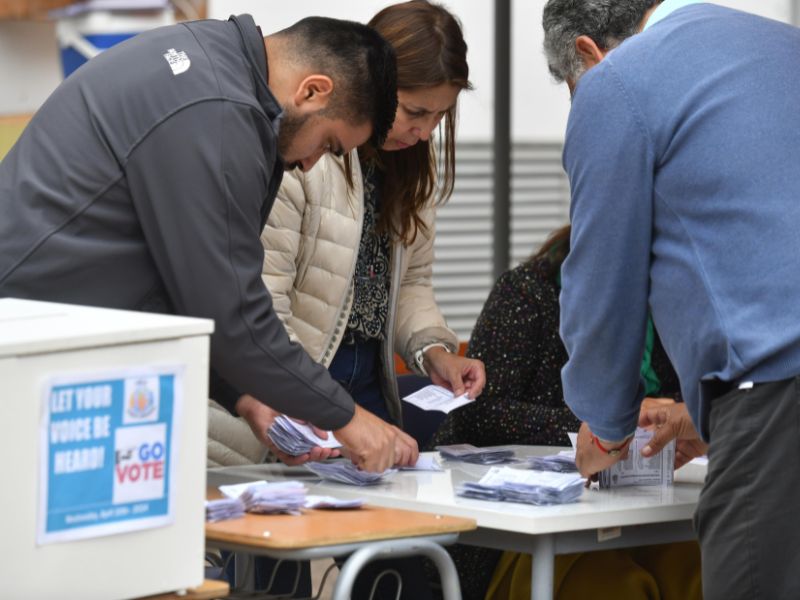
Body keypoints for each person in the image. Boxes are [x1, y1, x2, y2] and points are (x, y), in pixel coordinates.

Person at [0, 13, 407, 473]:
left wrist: (245, 395)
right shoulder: (217, 112)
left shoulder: (214, 63)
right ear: (312, 91)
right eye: (329, 144)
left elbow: (186, 288)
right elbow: (234, 315)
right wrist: (347, 417)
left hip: (44, 338)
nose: (311, 164)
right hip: (23, 341)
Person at [543, 1, 800, 598]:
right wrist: (704, 414)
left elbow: (604, 282)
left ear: (587, 52)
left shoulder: (617, 81)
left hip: (776, 391)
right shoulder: (780, 45)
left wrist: (606, 429)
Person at [226, 0, 485, 467]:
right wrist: (309, 400)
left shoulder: (411, 166)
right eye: (415, 111)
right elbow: (265, 303)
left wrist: (434, 350)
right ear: (376, 85)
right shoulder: (302, 152)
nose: (424, 131)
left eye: (440, 117)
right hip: (296, 381)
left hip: (368, 378)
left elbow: (410, 283)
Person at [428, 224, 702, 600]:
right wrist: (603, 425)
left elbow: (681, 398)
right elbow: (481, 413)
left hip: (633, 506)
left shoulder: (666, 308)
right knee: (612, 588)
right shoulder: (528, 293)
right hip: (518, 530)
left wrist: (667, 421)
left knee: (702, 567)